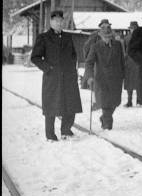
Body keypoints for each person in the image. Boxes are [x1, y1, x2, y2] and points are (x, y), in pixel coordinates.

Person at [30, 9, 82, 141]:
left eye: (61, 21)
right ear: (51, 22)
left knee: (70, 104)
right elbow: (35, 57)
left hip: (69, 77)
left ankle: (66, 130)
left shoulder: (68, 37)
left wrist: (72, 69)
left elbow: (73, 55)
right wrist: (48, 69)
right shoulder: (43, 38)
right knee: (51, 106)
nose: (59, 23)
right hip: (52, 78)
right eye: (56, 21)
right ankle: (50, 135)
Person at [85, 19, 124, 130]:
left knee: (116, 102)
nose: (107, 39)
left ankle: (104, 117)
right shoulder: (96, 46)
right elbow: (89, 62)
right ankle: (108, 124)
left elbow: (122, 61)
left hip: (116, 79)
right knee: (105, 103)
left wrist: (123, 75)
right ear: (101, 36)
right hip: (102, 79)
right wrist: (89, 76)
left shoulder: (118, 45)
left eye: (108, 36)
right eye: (105, 37)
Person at [123, 21, 142, 107]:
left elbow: (124, 52)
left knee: (131, 82)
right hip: (137, 62)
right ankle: (138, 101)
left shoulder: (126, 38)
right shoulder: (141, 38)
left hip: (130, 62)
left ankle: (130, 101)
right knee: (137, 81)